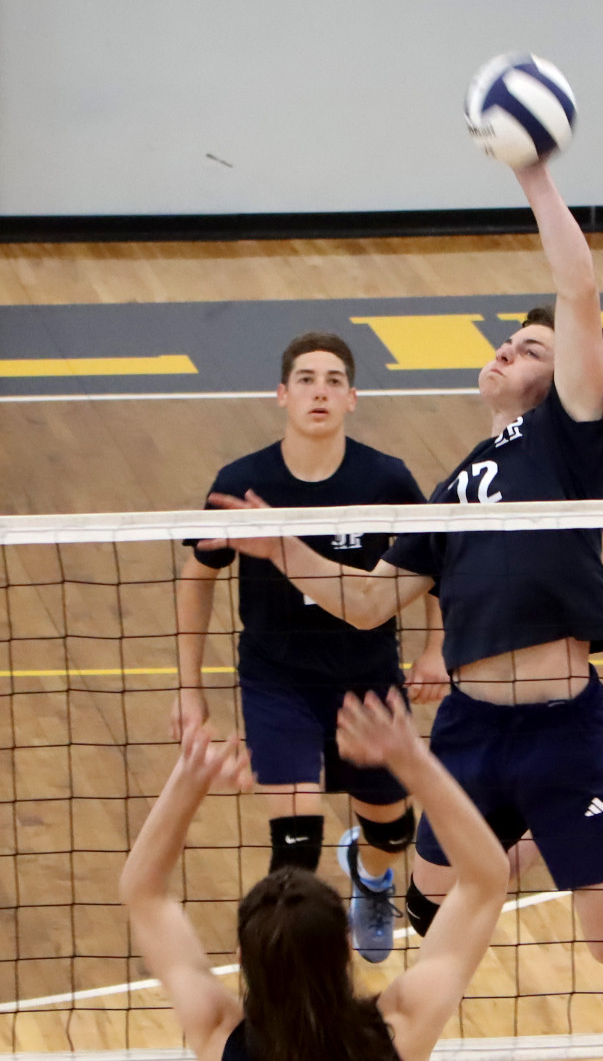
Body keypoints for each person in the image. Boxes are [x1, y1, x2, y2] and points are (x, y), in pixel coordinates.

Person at [204, 162, 603, 1030]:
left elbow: (578, 289)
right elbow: (367, 603)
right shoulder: (453, 488)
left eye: (532, 347)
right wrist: (280, 545)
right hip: (470, 734)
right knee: (434, 914)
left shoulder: (566, 442)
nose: (509, 348)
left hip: (564, 731)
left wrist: (533, 173)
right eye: (509, 339)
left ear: (568, 380)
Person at [174, 331, 447, 964]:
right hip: (278, 681)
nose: (318, 390)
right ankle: (283, 975)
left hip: (368, 677)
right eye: (305, 379)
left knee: (391, 827)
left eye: (331, 381)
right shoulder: (244, 482)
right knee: (294, 845)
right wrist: (190, 692)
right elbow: (197, 577)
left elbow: (433, 562)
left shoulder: (386, 480)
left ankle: (370, 874)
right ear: (281, 395)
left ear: (352, 398)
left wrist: (436, 647)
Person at [120, 691, 510, 1061]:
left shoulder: (219, 1034)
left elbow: (143, 893)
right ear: (347, 946)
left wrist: (187, 782)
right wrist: (411, 761)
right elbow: (486, 880)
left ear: (242, 959)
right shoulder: (400, 1029)